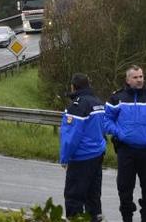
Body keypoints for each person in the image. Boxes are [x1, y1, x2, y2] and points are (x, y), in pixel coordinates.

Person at [104, 65, 146, 222]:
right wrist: (119, 133)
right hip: (125, 151)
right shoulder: (117, 98)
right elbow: (106, 119)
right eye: (135, 77)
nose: (139, 80)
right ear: (128, 79)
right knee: (124, 188)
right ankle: (127, 218)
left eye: (141, 76)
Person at [60, 73, 107, 221]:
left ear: (73, 87)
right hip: (97, 155)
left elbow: (71, 136)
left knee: (74, 196)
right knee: (93, 195)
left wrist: (64, 158)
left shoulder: (77, 106)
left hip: (81, 157)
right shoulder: (97, 102)